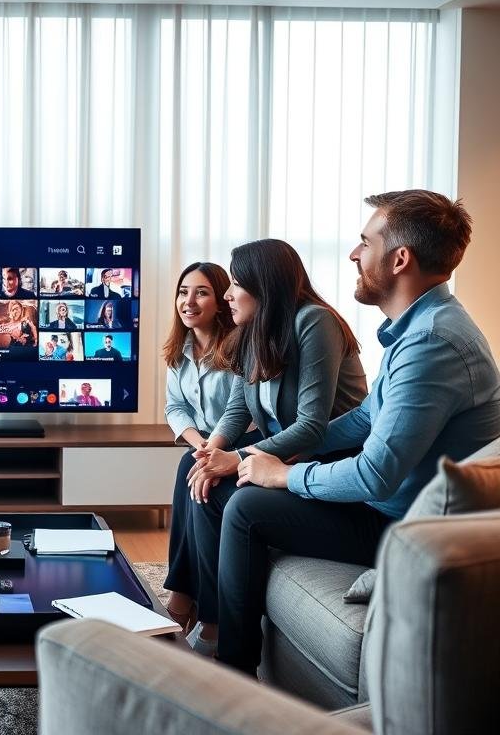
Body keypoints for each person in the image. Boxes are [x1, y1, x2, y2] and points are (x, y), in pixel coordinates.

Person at [213, 191, 500, 675]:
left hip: (400, 526)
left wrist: (283, 475)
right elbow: (366, 418)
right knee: (230, 482)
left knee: (246, 507)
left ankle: (233, 671)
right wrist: (258, 455)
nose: (353, 254)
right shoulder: (419, 327)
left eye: (365, 243)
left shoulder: (432, 341)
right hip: (386, 506)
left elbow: (376, 476)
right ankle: (216, 621)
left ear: (400, 259)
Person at [180, 238, 367, 656]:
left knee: (229, 497)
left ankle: (233, 651)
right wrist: (213, 451)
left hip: (325, 466)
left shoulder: (314, 322)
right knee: (192, 470)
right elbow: (234, 410)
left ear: (265, 286)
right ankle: (209, 620)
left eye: (236, 284)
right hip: (282, 454)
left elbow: (312, 426)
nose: (227, 294)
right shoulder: (252, 330)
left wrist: (240, 457)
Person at [160, 262, 240, 634]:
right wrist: (200, 444)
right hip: (205, 441)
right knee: (185, 464)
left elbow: (243, 409)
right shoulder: (180, 349)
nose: (188, 301)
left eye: (201, 292)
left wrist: (214, 447)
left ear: (221, 299)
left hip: (245, 439)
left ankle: (197, 609)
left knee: (187, 471)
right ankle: (184, 597)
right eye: (182, 291)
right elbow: (175, 408)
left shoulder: (239, 344)